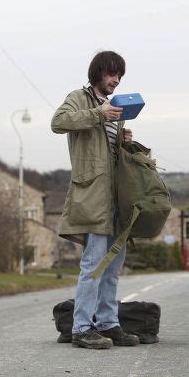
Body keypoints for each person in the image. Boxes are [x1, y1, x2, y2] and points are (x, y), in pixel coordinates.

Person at [51, 51, 139, 349]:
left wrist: (125, 142)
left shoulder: (117, 107)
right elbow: (58, 121)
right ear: (98, 72)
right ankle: (80, 329)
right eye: (112, 74)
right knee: (94, 265)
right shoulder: (79, 97)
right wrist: (98, 114)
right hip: (91, 196)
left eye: (119, 76)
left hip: (116, 198)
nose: (116, 80)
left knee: (113, 267)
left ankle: (108, 324)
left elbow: (110, 153)